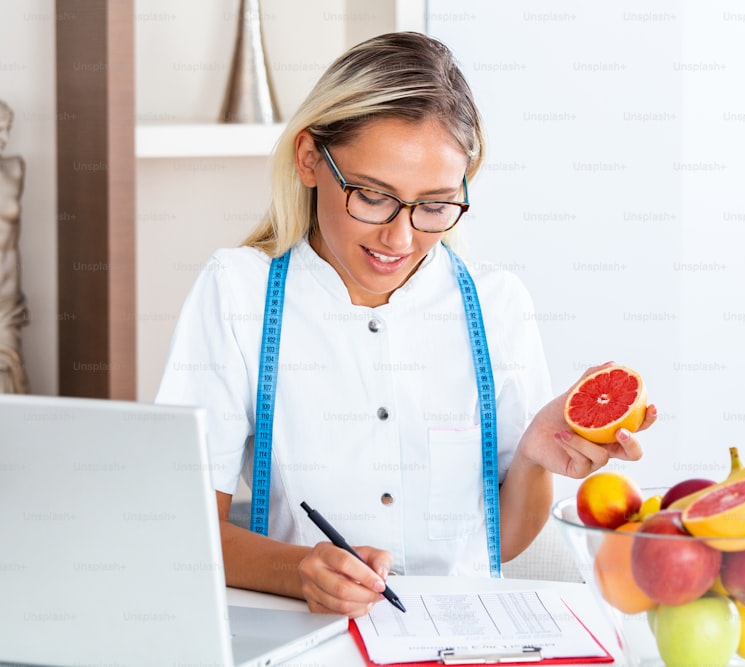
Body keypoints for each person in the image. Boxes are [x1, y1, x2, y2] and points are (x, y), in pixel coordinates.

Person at [156, 32, 656, 618]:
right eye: (372, 196)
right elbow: (184, 528)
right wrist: (299, 571)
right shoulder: (238, 293)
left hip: (466, 638)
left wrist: (532, 460)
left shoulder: (497, 306)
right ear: (311, 159)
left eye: (435, 205)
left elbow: (502, 542)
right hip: (307, 637)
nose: (400, 238)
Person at [0, 99, 30, 394]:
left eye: (6, 130)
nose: (3, 139)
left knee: (12, 375)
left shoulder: (14, 170)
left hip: (7, 299)